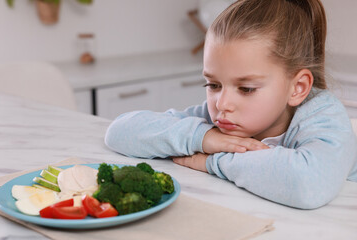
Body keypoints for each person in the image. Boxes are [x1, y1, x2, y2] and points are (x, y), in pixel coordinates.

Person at [105, 0, 357, 209]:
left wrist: (211, 161)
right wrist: (204, 139)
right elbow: (120, 131)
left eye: (246, 89)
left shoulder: (323, 115)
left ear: (297, 88)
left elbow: (309, 184)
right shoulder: (213, 122)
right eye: (213, 85)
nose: (222, 103)